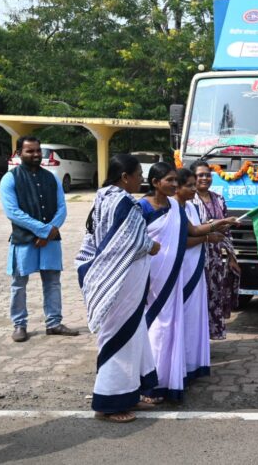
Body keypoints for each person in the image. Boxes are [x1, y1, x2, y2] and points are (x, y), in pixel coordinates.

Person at [138, 162, 234, 401]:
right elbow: (139, 241)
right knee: (157, 325)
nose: (175, 185)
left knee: (170, 326)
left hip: (172, 273)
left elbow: (192, 231)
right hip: (154, 274)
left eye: (175, 180)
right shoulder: (141, 207)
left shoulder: (175, 207)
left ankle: (168, 378)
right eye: (170, 180)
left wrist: (219, 223)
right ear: (155, 182)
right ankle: (150, 383)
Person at [75, 154, 161, 423]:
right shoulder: (122, 201)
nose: (141, 180)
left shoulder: (104, 198)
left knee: (133, 335)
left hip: (124, 281)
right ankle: (109, 403)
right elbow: (128, 242)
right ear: (125, 177)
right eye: (139, 175)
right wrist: (151, 246)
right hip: (121, 282)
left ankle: (130, 393)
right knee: (119, 338)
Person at [0, 135, 78, 342]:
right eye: (30, 151)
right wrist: (43, 231)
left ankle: (54, 323)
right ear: (19, 153)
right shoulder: (10, 178)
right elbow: (12, 212)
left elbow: (62, 208)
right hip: (24, 240)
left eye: (37, 150)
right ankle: (19, 325)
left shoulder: (52, 178)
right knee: (19, 284)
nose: (35, 154)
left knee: (52, 282)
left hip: (50, 240)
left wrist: (50, 231)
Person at [174, 168, 220, 382]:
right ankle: (176, 365)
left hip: (196, 268)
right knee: (179, 319)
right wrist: (208, 237)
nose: (194, 189)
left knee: (193, 318)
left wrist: (218, 224)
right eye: (190, 185)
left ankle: (191, 364)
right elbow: (181, 240)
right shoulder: (171, 208)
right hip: (178, 271)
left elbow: (194, 230)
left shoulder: (190, 207)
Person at [190, 160, 241, 340]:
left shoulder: (218, 199)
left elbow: (227, 231)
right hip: (196, 255)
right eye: (200, 175)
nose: (205, 178)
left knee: (215, 296)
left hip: (216, 259)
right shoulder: (189, 200)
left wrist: (232, 257)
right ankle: (196, 339)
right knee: (197, 299)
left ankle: (209, 339)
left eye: (208, 175)